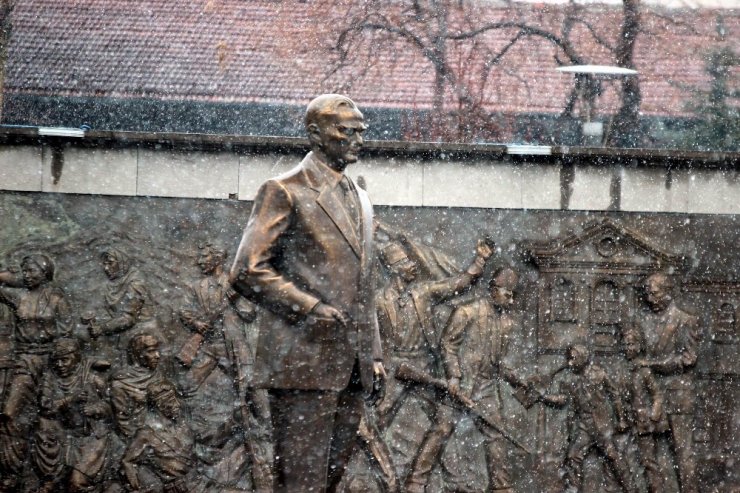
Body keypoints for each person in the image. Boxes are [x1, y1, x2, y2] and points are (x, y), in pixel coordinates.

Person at [229, 94, 385, 492]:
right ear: (314, 133)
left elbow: (365, 286)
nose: (357, 139)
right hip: (302, 361)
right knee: (300, 483)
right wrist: (309, 308)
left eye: (360, 131)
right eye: (345, 131)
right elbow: (247, 270)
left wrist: (375, 355)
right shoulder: (284, 190)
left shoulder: (361, 199)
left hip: (352, 365)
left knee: (329, 481)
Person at [407, 267, 528, 493]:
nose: (510, 301)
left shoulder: (507, 324)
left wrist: (516, 380)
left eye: (513, 295)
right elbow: (448, 345)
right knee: (442, 429)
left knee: (495, 434)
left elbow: (498, 361)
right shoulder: (466, 312)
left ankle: (501, 487)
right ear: (493, 290)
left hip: (486, 387)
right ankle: (416, 482)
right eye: (507, 294)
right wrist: (454, 376)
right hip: (460, 384)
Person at [177, 241, 272, 492]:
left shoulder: (235, 282)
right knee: (187, 385)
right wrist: (198, 324)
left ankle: (260, 433)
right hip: (210, 345)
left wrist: (234, 298)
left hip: (236, 348)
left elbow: (250, 312)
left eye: (204, 257)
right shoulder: (198, 286)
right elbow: (185, 311)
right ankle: (195, 438)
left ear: (217, 259)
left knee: (250, 393)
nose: (199, 262)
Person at [0, 254, 73, 488]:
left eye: (32, 271)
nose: (28, 276)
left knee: (50, 416)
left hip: (53, 362)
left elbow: (68, 334)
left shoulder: (57, 298)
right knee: (10, 413)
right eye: (25, 272)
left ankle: (53, 473)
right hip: (25, 361)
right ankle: (12, 470)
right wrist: (15, 278)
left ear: (45, 272)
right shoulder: (18, 295)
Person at [540, 345, 637, 493]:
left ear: (583, 358)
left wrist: (621, 418)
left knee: (613, 456)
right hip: (585, 426)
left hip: (602, 424)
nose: (570, 363)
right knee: (573, 456)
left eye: (573, 358)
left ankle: (631, 489)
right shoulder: (570, 379)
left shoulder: (599, 374)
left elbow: (615, 394)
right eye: (569, 359)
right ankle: (573, 489)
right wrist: (543, 396)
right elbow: (562, 399)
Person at [635, 273, 699, 493]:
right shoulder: (643, 321)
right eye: (647, 294)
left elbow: (689, 358)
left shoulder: (685, 320)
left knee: (682, 451)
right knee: (651, 452)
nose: (650, 299)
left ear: (668, 291)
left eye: (655, 293)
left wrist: (654, 364)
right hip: (652, 395)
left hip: (678, 394)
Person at [33, 338, 111, 493]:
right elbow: (46, 406)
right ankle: (50, 477)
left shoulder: (92, 379)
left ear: (75, 358)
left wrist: (95, 409)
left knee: (77, 483)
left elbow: (110, 408)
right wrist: (71, 399)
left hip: (92, 438)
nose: (60, 365)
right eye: (57, 360)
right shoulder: (51, 378)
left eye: (65, 360)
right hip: (65, 437)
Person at [121, 380, 199, 493]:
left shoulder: (183, 427)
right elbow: (126, 462)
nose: (177, 404)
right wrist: (137, 488)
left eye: (176, 399)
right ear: (159, 404)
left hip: (197, 482)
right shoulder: (146, 434)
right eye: (171, 401)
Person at [83, 247, 156, 357]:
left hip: (141, 335)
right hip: (119, 330)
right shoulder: (112, 284)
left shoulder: (135, 284)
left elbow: (129, 318)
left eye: (111, 263)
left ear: (122, 262)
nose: (106, 268)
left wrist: (102, 328)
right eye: (104, 264)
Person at [622, 326, 667, 493]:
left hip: (643, 423)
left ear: (639, 346)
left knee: (649, 462)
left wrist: (653, 414)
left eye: (631, 344)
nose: (628, 348)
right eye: (626, 345)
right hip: (630, 421)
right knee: (631, 460)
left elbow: (657, 394)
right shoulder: (626, 370)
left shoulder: (644, 371)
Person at [110, 333, 164, 439]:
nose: (157, 355)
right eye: (151, 351)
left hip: (161, 429)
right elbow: (122, 420)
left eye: (157, 351)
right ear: (138, 354)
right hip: (137, 436)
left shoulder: (157, 374)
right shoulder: (121, 382)